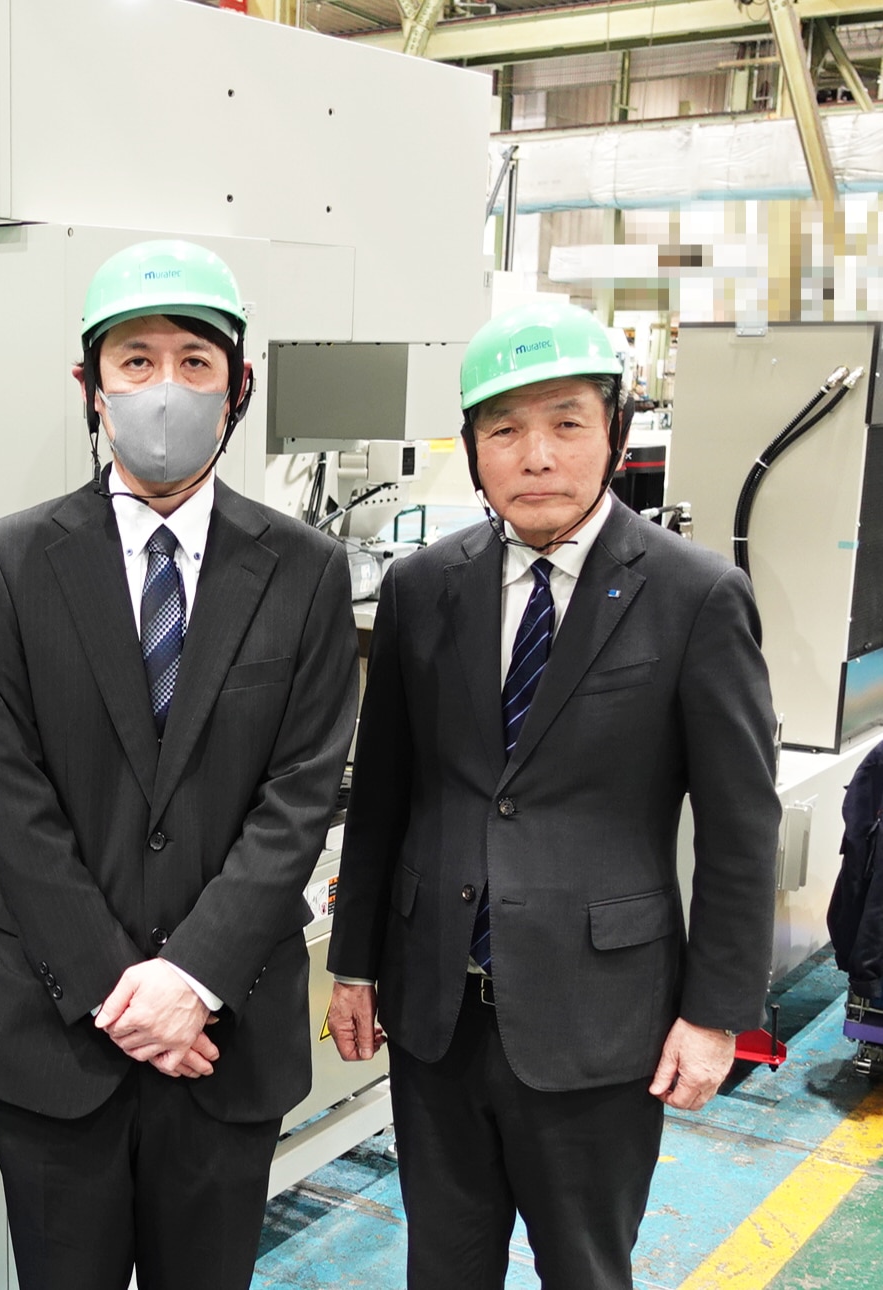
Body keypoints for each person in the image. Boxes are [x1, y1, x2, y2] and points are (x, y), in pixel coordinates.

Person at [326, 299, 782, 1289]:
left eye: (566, 423)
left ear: (614, 431)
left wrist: (716, 1015)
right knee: (444, 1264)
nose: (536, 456)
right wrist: (354, 963)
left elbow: (742, 827)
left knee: (585, 1267)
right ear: (474, 449)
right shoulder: (421, 588)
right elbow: (385, 794)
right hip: (436, 1009)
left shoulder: (694, 595)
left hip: (599, 1016)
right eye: (504, 430)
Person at [0, 240, 358, 1289]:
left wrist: (192, 979)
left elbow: (299, 795)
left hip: (226, 1031)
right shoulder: (6, 563)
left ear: (238, 385)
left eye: (194, 361)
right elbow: (10, 796)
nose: (164, 388)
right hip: (55, 1029)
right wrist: (119, 992)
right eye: (134, 361)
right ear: (89, 386)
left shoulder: (305, 571)